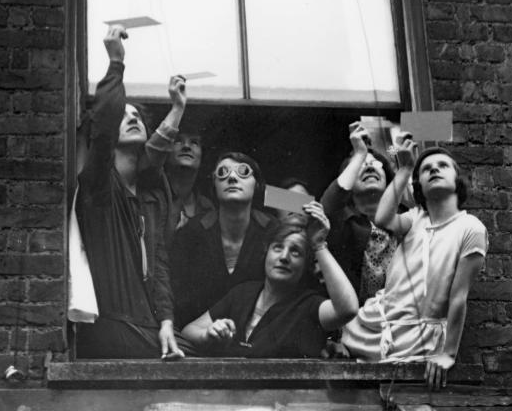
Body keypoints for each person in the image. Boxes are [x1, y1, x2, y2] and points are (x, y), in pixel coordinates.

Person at [74, 24, 186, 359]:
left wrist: (166, 320)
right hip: (112, 331)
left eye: (137, 114)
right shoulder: (98, 185)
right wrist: (116, 64)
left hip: (149, 330)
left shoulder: (149, 197)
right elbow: (104, 127)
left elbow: (161, 264)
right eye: (125, 114)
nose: (132, 117)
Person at [340, 143, 488, 389]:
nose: (434, 170)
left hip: (417, 338)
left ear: (457, 179)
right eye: (427, 168)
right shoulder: (416, 217)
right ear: (418, 185)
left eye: (442, 166)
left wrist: (448, 354)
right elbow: (383, 218)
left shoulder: (471, 227)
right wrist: (405, 168)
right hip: (374, 326)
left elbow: (458, 297)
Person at [181, 202, 358, 357]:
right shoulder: (243, 293)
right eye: (277, 247)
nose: (284, 257)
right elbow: (189, 331)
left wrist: (318, 244)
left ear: (306, 265)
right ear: (266, 254)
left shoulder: (309, 306)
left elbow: (348, 309)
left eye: (295, 252)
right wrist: (208, 335)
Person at [170, 152, 276, 326]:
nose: (232, 177)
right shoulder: (191, 233)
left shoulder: (272, 230)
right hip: (197, 339)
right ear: (214, 185)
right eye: (223, 173)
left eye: (243, 172)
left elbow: (306, 202)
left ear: (257, 185)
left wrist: (291, 202)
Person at [321, 124, 399, 303]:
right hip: (356, 322)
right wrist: (359, 154)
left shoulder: (407, 217)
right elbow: (326, 208)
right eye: (361, 164)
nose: (370, 166)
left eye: (375, 163)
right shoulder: (341, 221)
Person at [163, 129, 215, 236]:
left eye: (194, 142)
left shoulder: (208, 208)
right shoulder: (155, 199)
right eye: (178, 141)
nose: (186, 146)